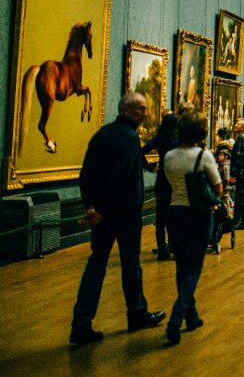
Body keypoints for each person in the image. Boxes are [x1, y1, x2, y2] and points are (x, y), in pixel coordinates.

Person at [69, 92, 165, 345]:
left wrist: (91, 205)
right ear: (129, 110)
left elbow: (86, 174)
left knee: (96, 265)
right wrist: (99, 208)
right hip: (124, 213)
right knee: (131, 265)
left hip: (102, 213)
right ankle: (137, 313)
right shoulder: (130, 137)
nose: (146, 113)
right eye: (142, 108)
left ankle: (81, 323)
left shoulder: (102, 134)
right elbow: (121, 178)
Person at [162, 109, 222, 345]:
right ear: (201, 132)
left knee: (181, 266)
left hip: (175, 212)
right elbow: (217, 187)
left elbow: (171, 183)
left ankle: (192, 316)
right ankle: (176, 318)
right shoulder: (202, 156)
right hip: (198, 214)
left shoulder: (169, 156)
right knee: (194, 267)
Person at [141, 112, 178, 261]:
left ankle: (162, 249)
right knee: (174, 213)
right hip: (175, 178)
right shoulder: (178, 139)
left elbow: (140, 152)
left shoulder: (159, 138)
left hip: (162, 177)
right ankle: (174, 246)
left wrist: (150, 167)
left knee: (161, 215)